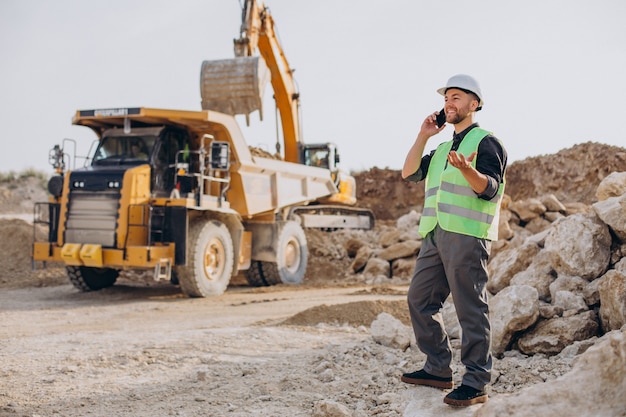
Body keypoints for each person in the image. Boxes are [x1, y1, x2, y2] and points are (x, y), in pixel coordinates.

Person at [400, 74, 507, 407]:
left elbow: (489, 189)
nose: (449, 102)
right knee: (419, 300)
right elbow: (409, 172)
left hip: (466, 235)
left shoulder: (487, 142)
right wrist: (423, 134)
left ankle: (476, 382)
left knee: (469, 307)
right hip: (435, 233)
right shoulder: (441, 147)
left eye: (457, 97)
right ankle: (437, 368)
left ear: (474, 104)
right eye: (447, 98)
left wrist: (467, 171)